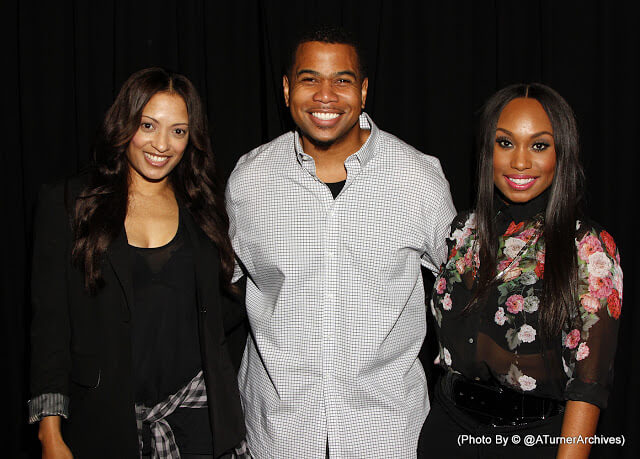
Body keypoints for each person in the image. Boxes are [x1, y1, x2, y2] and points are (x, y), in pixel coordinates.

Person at [226, 26, 456, 458]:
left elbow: (463, 291)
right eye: (310, 78)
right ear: (286, 88)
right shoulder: (249, 179)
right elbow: (217, 288)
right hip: (278, 434)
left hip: (386, 434)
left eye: (342, 80)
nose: (325, 95)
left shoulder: (418, 178)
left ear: (364, 91)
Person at [29, 67, 247, 458]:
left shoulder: (202, 208)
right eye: (148, 125)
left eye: (178, 131)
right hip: (104, 422)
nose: (162, 144)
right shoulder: (68, 203)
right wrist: (50, 434)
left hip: (197, 416)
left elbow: (225, 308)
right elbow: (50, 328)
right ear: (125, 124)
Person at [420, 83, 623, 458]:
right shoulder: (463, 231)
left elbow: (588, 387)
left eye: (540, 145)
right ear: (488, 151)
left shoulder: (589, 247)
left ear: (562, 153)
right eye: (506, 143)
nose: (520, 162)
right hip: (446, 433)